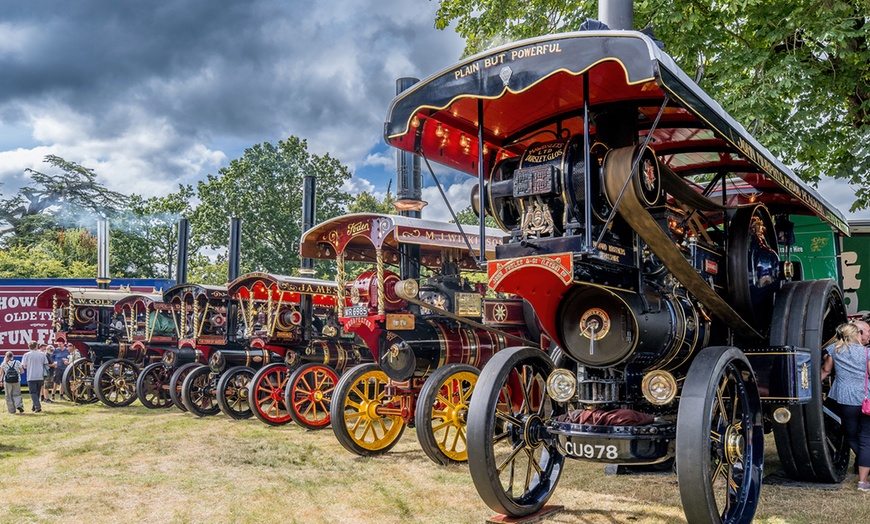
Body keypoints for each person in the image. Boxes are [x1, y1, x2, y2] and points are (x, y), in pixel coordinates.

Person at [822, 321, 870, 490]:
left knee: (851, 436)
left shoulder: (834, 350)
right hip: (865, 399)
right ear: (856, 335)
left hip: (845, 399)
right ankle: (863, 481)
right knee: (866, 439)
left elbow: (826, 370)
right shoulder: (866, 353)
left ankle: (864, 467)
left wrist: (809, 388)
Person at [20, 341, 48, 413]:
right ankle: (34, 407)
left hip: (31, 376)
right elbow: (45, 363)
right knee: (37, 392)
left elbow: (25, 366)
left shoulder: (26, 355)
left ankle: (37, 406)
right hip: (40, 375)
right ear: (36, 346)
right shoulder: (42, 354)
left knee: (33, 392)